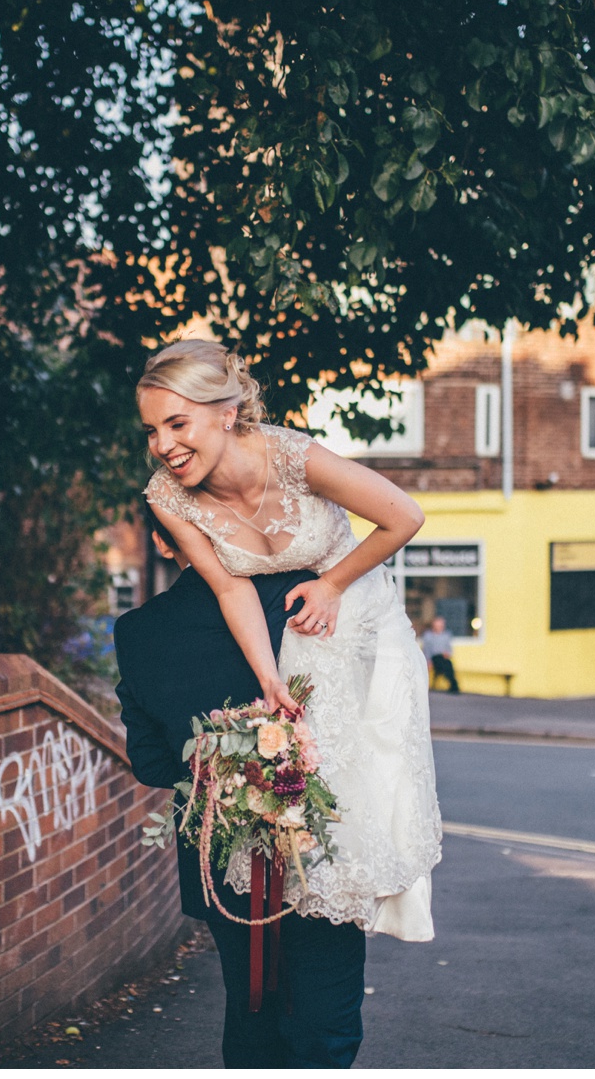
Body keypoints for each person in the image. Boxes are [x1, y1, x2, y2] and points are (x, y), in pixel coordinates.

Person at [136, 338, 443, 944]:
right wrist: (269, 678)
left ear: (225, 412)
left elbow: (404, 516)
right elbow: (230, 589)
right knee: (298, 767)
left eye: (177, 423)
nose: (163, 445)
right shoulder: (167, 498)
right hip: (289, 637)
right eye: (151, 430)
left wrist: (331, 584)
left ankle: (360, 906)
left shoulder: (293, 455)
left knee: (367, 784)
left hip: (359, 622)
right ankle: (302, 912)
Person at [115, 514, 365, 1067]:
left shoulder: (137, 630)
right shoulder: (301, 595)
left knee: (252, 1008)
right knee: (327, 1015)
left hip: (219, 853)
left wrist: (224, 774)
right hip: (320, 846)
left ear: (160, 541)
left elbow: (153, 763)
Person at [421, 615, 460, 693]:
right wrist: (428, 661)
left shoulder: (446, 635)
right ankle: (454, 686)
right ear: (433, 625)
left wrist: (448, 653)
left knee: (448, 664)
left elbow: (449, 648)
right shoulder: (428, 636)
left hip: (443, 657)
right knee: (444, 663)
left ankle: (453, 685)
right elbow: (426, 650)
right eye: (438, 625)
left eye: (441, 625)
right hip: (434, 658)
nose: (440, 627)